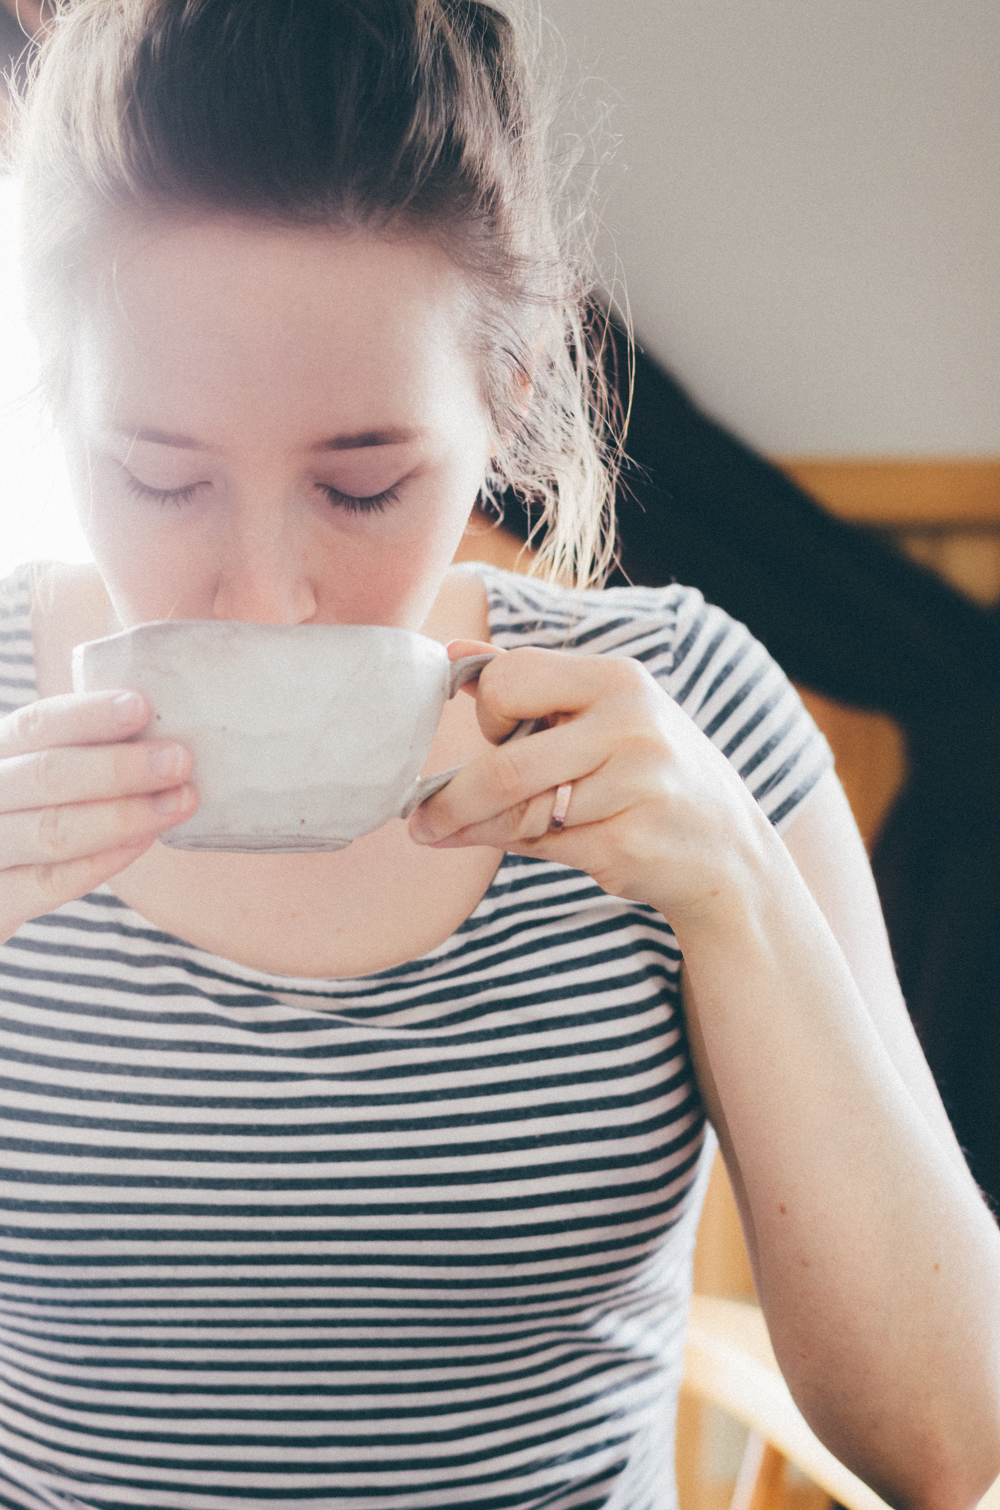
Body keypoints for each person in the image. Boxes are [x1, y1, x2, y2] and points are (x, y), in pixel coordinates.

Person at [0, 4, 998, 1509]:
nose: (267, 594)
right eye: (159, 474)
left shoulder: (680, 704)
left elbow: (947, 1439)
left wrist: (733, 881)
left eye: (362, 485)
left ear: (507, 405)